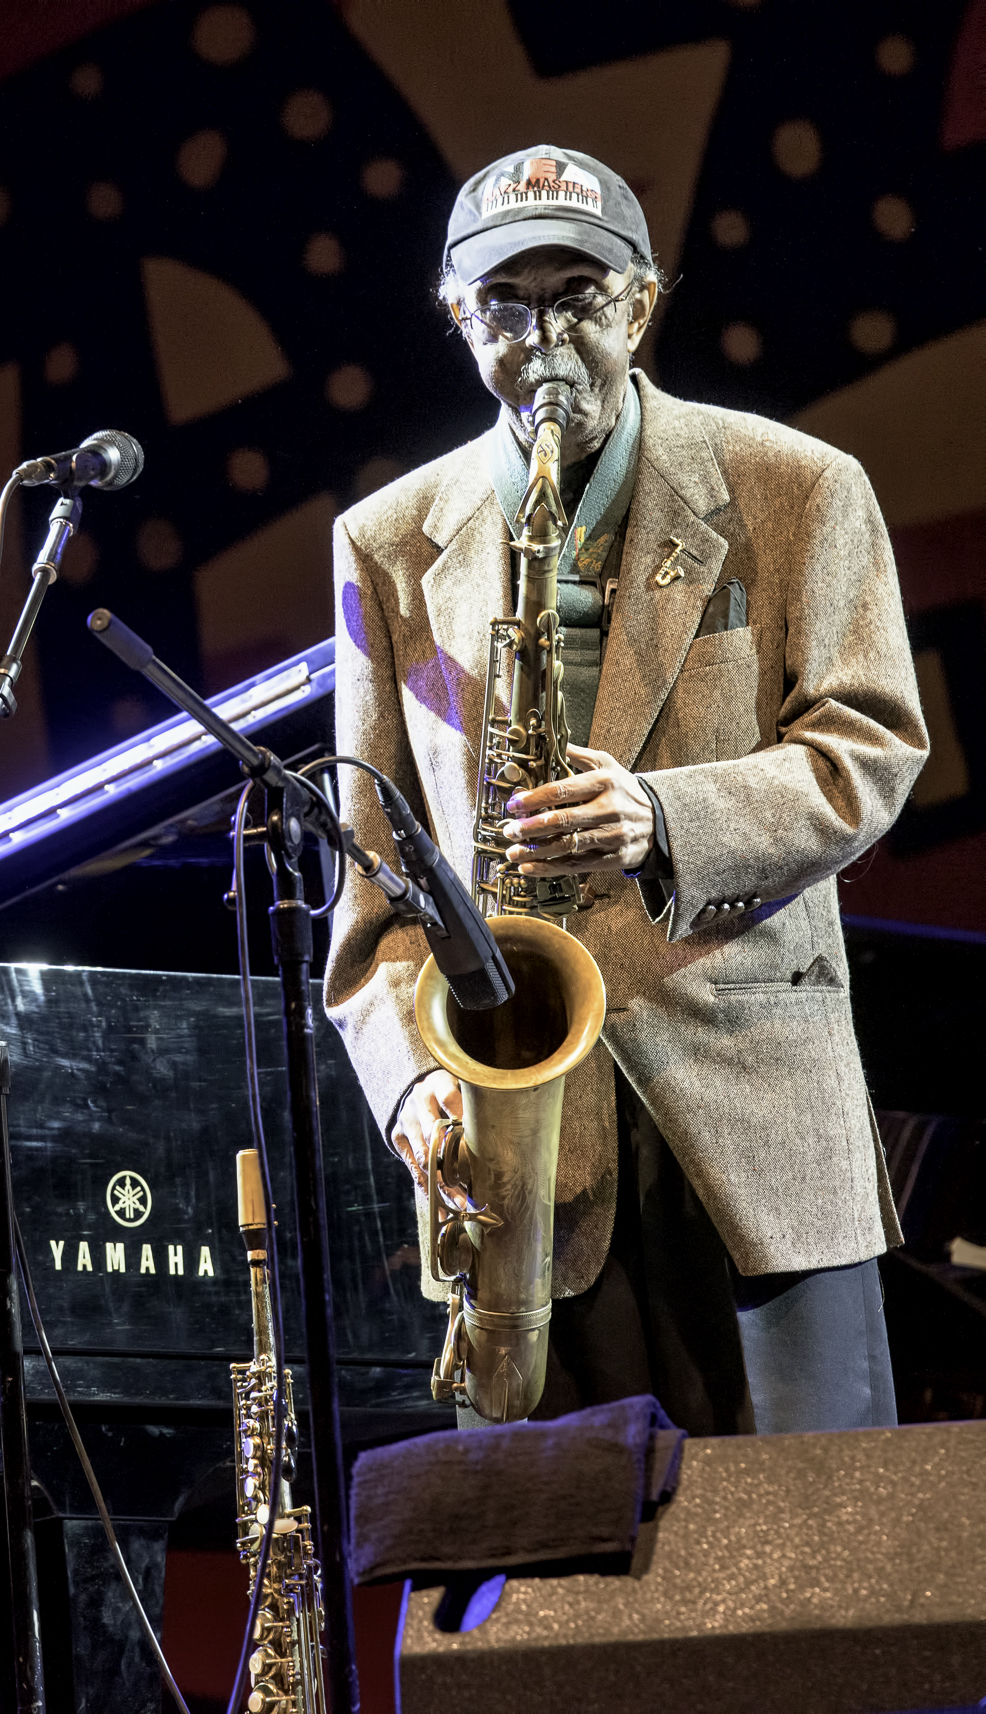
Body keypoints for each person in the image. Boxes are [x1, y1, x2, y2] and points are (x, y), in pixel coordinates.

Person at [325, 147, 929, 1436]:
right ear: (453, 313)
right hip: (524, 1157)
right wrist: (413, 1088)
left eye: (578, 298)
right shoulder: (382, 542)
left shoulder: (799, 486)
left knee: (811, 1582)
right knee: (561, 1595)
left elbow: (871, 748)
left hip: (757, 1136)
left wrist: (666, 817)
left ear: (643, 303)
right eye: (507, 305)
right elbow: (372, 878)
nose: (543, 338)